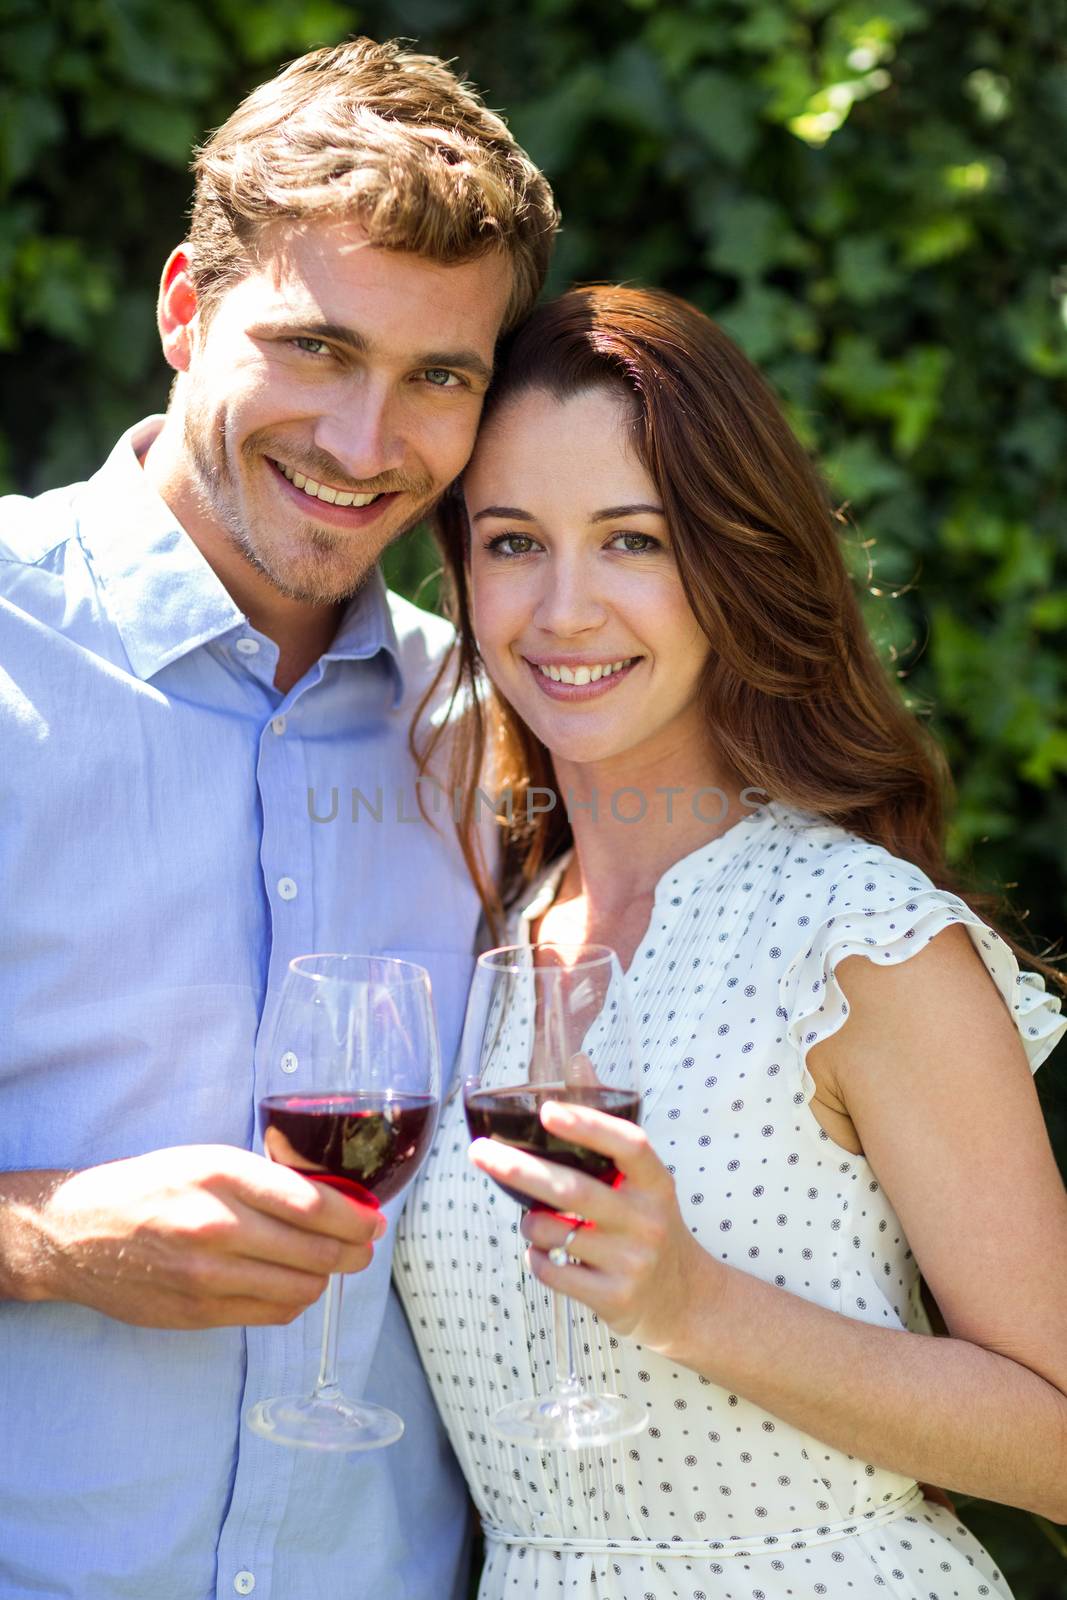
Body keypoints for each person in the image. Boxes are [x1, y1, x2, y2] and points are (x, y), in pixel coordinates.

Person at [393, 285, 1067, 1599]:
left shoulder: (859, 938)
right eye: (515, 541)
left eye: (633, 541)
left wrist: (696, 1307)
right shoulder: (482, 944)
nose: (566, 608)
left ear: (729, 564)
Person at [0, 37, 556, 1600]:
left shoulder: (504, 727)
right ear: (185, 307)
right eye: (315, 348)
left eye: (439, 377)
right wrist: (41, 1238)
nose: (367, 445)